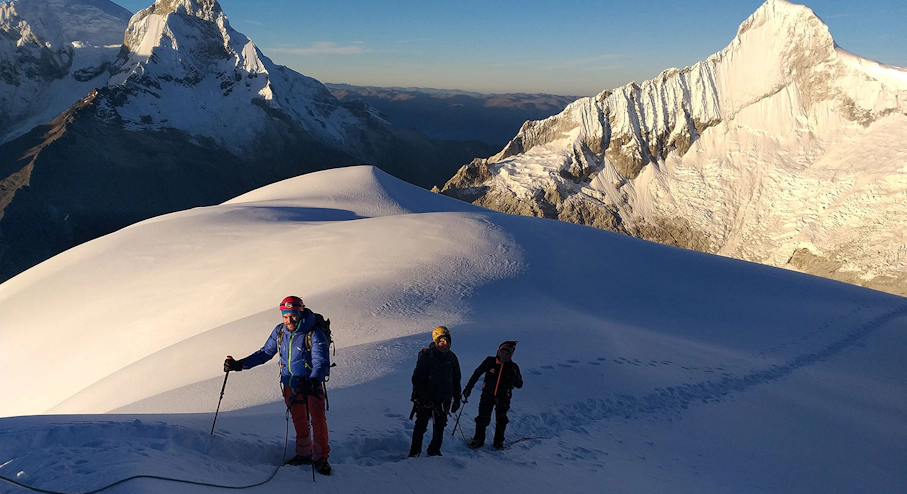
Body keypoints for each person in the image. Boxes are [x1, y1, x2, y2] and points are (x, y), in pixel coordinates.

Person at [224, 296, 332, 475]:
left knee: (318, 421)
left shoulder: (314, 333)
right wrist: (239, 364)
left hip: (311, 386)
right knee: (299, 420)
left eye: (292, 316)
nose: (289, 320)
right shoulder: (280, 331)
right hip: (290, 385)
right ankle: (304, 454)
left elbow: (321, 362)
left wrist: (313, 380)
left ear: (300, 312)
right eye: (285, 316)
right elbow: (265, 352)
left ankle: (321, 458)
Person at [408, 326, 462, 457]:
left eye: (447, 341)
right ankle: (415, 452)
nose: (445, 344)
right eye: (442, 341)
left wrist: (457, 399)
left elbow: (456, 379)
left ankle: (434, 450)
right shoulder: (427, 356)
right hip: (426, 399)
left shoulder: (452, 357)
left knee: (440, 426)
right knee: (420, 426)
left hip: (444, 399)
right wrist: (424, 397)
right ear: (436, 341)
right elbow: (416, 379)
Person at [462, 340, 523, 450]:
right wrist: (468, 388)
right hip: (487, 395)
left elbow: (519, 385)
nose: (504, 356)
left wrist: (515, 377)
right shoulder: (489, 361)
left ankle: (499, 441)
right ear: (498, 352)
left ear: (511, 355)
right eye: (502, 353)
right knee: (482, 418)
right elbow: (476, 374)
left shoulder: (513, 367)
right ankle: (478, 439)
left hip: (503, 398)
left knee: (501, 420)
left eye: (507, 354)